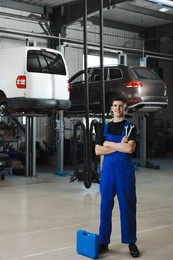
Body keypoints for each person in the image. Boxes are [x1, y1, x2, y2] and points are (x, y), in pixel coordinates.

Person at [95, 96, 140, 258]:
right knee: (105, 207)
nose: (117, 108)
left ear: (125, 109)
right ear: (111, 108)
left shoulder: (131, 127)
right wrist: (119, 145)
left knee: (127, 206)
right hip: (108, 173)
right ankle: (104, 241)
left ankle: (131, 241)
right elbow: (97, 151)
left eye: (121, 106)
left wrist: (108, 144)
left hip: (124, 173)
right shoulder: (104, 128)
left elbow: (129, 150)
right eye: (115, 106)